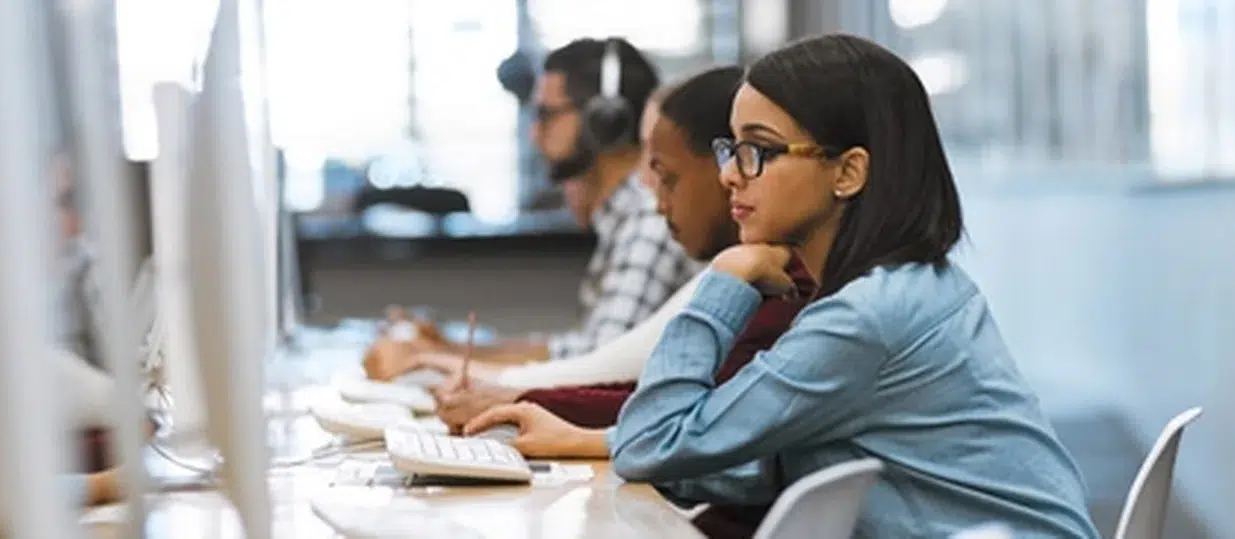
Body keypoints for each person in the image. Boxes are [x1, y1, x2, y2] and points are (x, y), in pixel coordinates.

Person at [567, 34, 1094, 538]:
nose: (730, 174)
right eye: (733, 148)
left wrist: (725, 280)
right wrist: (598, 442)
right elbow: (770, 463)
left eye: (760, 150)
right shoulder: (906, 288)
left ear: (848, 172)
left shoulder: (866, 318)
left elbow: (652, 443)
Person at [436, 67, 753, 432]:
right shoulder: (746, 269)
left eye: (664, 171)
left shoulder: (741, 273)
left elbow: (622, 379)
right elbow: (654, 400)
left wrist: (499, 391)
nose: (647, 187)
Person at [363, 37, 699, 378]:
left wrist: (431, 359)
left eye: (546, 115)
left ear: (603, 121)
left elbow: (595, 371)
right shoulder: (626, 219)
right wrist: (448, 348)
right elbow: (582, 349)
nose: (534, 134)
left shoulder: (649, 221)